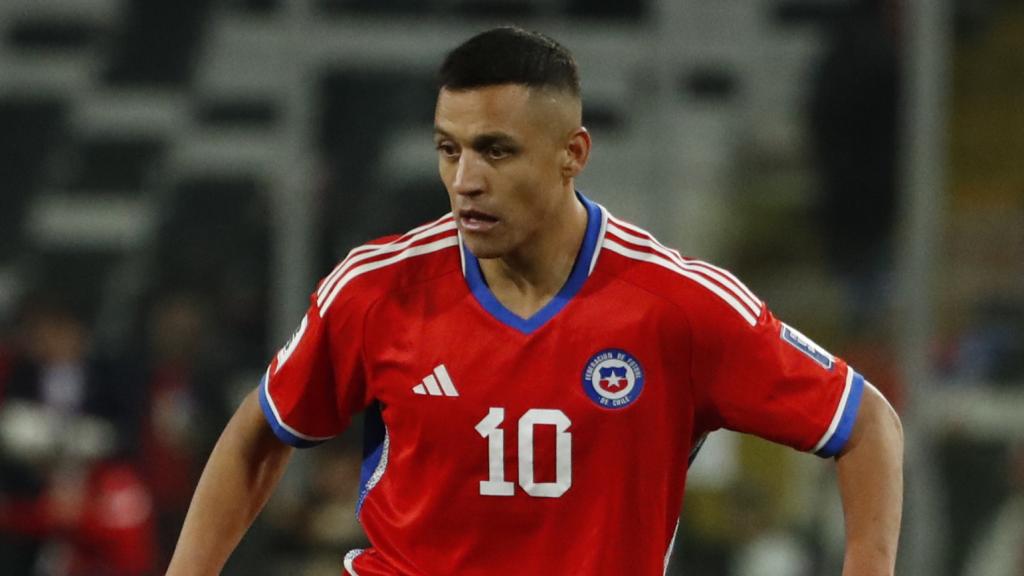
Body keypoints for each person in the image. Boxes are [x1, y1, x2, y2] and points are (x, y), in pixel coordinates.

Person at [167, 26, 903, 576]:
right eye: (447, 149)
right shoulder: (376, 289)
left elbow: (866, 423)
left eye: (496, 150)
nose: (464, 181)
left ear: (573, 154)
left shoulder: (676, 308)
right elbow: (260, 432)